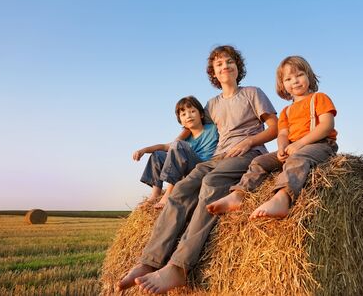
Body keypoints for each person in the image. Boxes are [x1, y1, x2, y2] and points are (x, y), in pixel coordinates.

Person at [118, 45, 278, 294]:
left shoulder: (252, 93)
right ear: (213, 73)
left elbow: (274, 127)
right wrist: (176, 143)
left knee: (212, 183)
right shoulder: (212, 104)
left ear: (238, 67)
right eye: (219, 64)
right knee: (182, 188)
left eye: (229, 62)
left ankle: (179, 267)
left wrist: (249, 141)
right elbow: (191, 127)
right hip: (220, 155)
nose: (225, 66)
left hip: (249, 152)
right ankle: (149, 261)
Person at [207, 55, 338, 219]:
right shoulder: (286, 111)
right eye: (289, 79)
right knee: (259, 162)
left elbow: (327, 125)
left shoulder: (319, 98)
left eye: (299, 75)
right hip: (292, 148)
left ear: (309, 77)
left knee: (297, 159)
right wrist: (282, 147)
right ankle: (238, 195)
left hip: (319, 145)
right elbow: (282, 133)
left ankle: (282, 198)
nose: (295, 81)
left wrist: (299, 144)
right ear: (283, 85)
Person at [134, 96, 219, 209]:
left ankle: (169, 193)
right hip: (186, 169)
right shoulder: (185, 139)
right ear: (180, 120)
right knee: (158, 154)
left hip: (202, 166)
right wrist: (143, 150)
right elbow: (164, 146)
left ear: (202, 115)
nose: (188, 115)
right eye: (183, 114)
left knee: (177, 145)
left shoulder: (213, 128)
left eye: (192, 111)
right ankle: (155, 194)